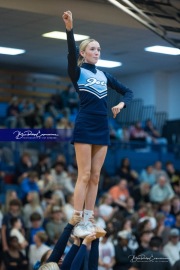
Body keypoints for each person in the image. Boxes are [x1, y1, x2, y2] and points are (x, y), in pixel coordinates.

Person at [62, 10, 133, 237]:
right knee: (84, 175)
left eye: (99, 49)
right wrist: (70, 29)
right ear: (84, 52)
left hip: (102, 126)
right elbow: (70, 55)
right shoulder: (78, 71)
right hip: (84, 124)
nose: (97, 52)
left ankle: (88, 219)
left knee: (95, 176)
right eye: (93, 48)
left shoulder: (105, 75)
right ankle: (77, 220)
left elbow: (128, 92)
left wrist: (121, 105)